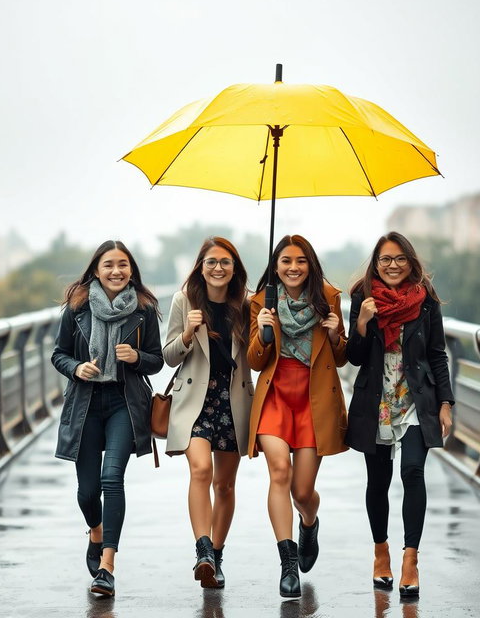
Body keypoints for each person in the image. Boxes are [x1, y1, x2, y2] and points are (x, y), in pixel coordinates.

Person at [51, 240, 163, 597]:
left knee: (112, 479)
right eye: (109, 265)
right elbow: (59, 353)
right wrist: (75, 367)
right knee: (87, 493)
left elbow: (157, 360)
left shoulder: (144, 309)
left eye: (123, 265)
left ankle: (107, 567)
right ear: (96, 270)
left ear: (132, 270)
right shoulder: (78, 308)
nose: (117, 271)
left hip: (123, 404)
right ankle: (95, 532)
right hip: (84, 405)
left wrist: (135, 357)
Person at [345, 231, 454, 598]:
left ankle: (411, 558)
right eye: (385, 260)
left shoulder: (426, 301)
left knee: (413, 470)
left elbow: (437, 354)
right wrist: (360, 322)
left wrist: (446, 403)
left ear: (410, 262)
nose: (392, 266)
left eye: (399, 259)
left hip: (414, 399)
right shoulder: (363, 298)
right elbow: (355, 356)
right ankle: (381, 553)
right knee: (378, 482)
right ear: (376, 263)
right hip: (377, 400)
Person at [247, 234, 348, 598]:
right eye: (286, 260)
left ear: (311, 264)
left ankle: (309, 523)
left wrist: (337, 336)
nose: (293, 267)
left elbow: (341, 358)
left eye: (301, 260)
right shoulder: (261, 302)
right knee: (279, 472)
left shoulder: (329, 299)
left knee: (302, 492)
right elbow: (254, 361)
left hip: (314, 398)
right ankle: (287, 562)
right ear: (275, 266)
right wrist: (263, 333)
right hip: (275, 396)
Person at [163, 237, 253, 589]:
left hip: (234, 401)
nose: (218, 268)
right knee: (200, 469)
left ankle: (216, 554)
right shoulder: (183, 301)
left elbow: (261, 355)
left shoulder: (246, 305)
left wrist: (264, 325)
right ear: (201, 266)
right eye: (211, 262)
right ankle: (202, 550)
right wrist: (187, 332)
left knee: (225, 485)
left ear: (235, 269)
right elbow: (169, 355)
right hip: (196, 402)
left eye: (225, 263)